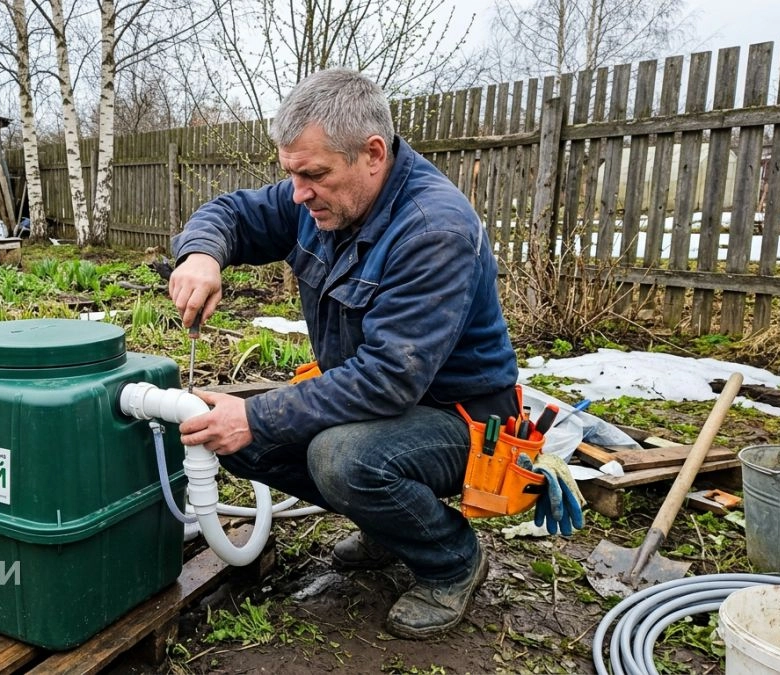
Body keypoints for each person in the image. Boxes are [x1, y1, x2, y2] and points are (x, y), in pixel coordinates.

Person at [168, 68, 520, 639]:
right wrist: (202, 254)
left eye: (314, 175)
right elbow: (231, 212)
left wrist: (256, 414)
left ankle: (452, 559)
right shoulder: (325, 198)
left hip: (461, 417)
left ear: (373, 153)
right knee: (220, 432)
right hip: (379, 403)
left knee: (342, 459)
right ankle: (389, 525)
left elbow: (387, 379)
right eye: (291, 174)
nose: (299, 192)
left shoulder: (433, 229)